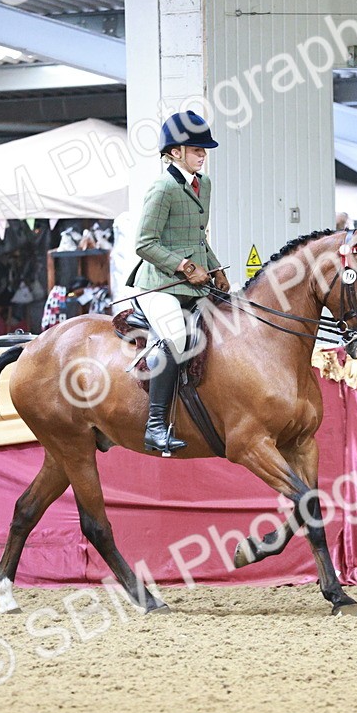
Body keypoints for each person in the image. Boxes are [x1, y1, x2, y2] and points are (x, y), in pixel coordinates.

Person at [126, 111, 230, 455]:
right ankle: (156, 425)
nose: (203, 155)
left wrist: (216, 269)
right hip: (159, 285)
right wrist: (186, 267)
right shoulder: (163, 188)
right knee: (176, 336)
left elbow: (198, 238)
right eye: (196, 150)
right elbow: (144, 243)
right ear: (175, 152)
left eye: (204, 150)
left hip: (194, 283)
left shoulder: (204, 184)